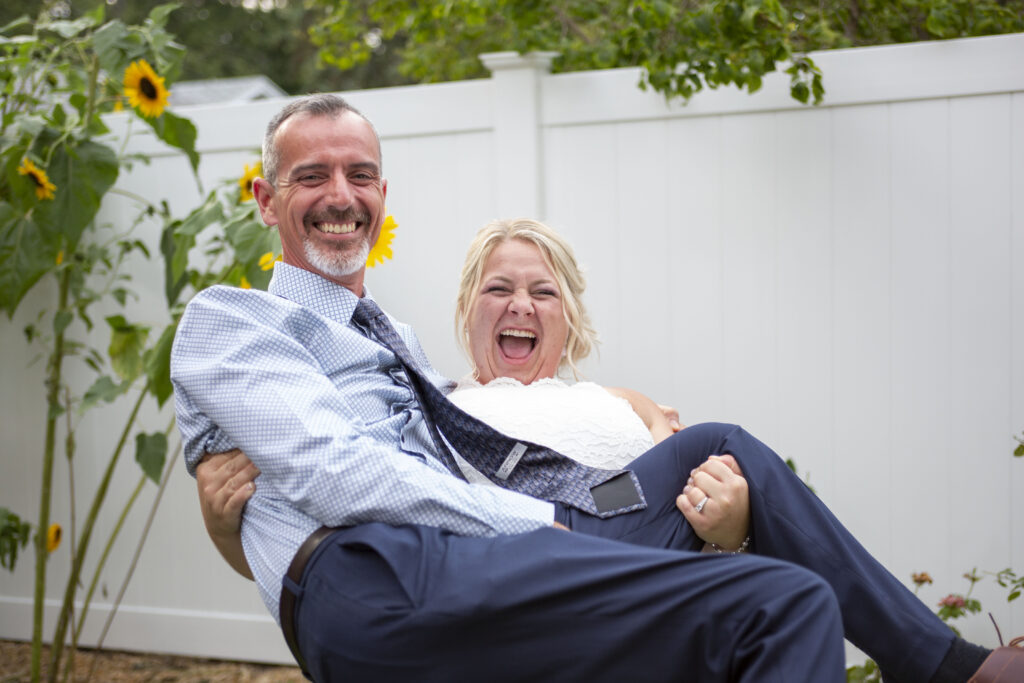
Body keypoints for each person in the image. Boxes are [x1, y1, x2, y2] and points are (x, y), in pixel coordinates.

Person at [171, 93, 1020, 682]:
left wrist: (645, 441)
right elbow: (336, 476)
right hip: (399, 566)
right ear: (265, 199)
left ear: (384, 196)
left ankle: (949, 667)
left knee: (716, 445)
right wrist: (545, 524)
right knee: (784, 601)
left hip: (519, 534)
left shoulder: (409, 350)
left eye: (358, 174)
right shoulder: (234, 320)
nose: (339, 195)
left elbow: (508, 447)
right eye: (311, 176)